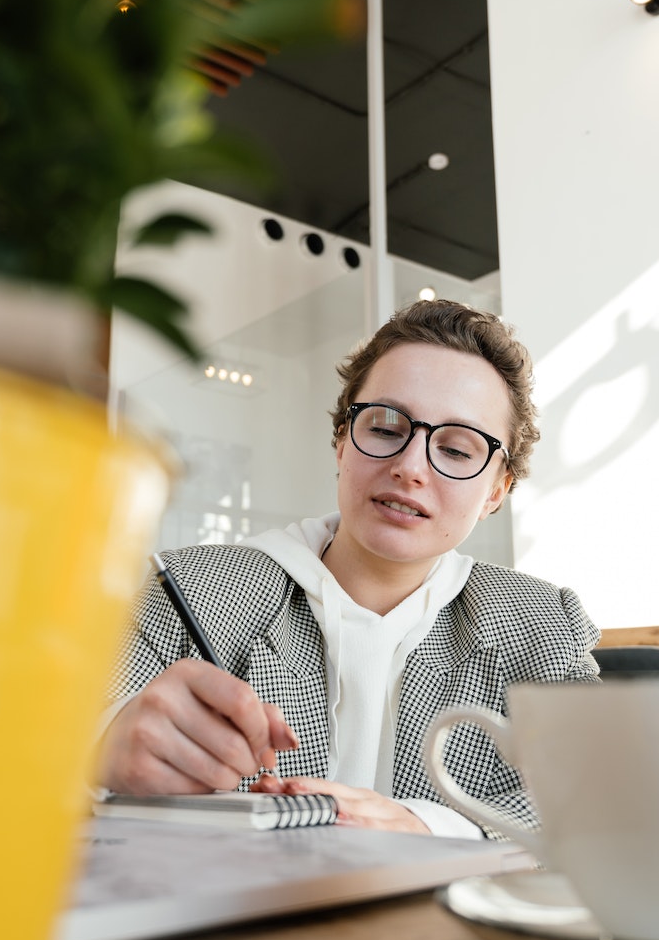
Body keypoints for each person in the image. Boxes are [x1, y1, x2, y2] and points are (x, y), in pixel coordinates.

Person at [95, 299, 600, 839]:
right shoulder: (192, 588)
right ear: (341, 441)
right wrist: (98, 752)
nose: (409, 467)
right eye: (385, 428)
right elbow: (56, 737)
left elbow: (605, 797)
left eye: (456, 449)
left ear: (497, 490)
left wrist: (428, 826)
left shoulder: (543, 622)